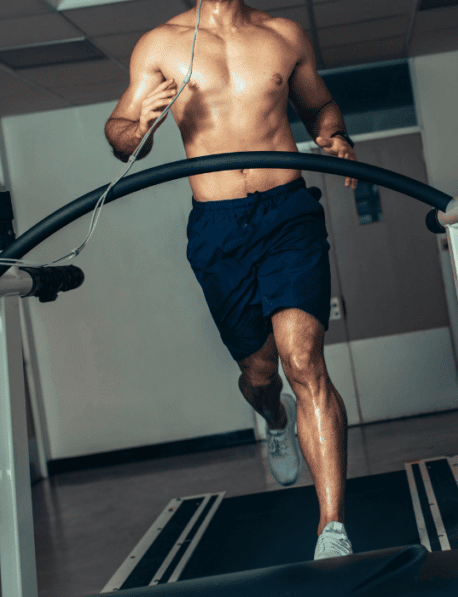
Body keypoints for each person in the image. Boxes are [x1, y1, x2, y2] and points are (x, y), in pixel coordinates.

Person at [103, 0, 356, 561]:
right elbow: (122, 135)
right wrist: (138, 125)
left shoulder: (283, 33)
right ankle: (273, 416)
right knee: (262, 372)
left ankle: (331, 528)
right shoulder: (160, 43)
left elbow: (320, 106)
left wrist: (333, 133)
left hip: (289, 213)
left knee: (304, 359)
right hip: (218, 228)